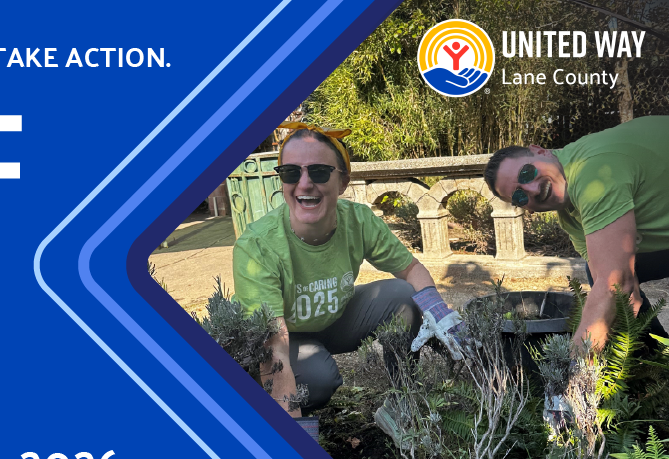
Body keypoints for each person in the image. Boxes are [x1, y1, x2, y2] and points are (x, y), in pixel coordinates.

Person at [232, 123, 462, 418]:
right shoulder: (258, 247)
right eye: (291, 172)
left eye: (319, 171)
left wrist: (442, 314)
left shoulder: (359, 221)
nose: (304, 184)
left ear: (343, 182)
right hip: (286, 339)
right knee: (316, 380)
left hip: (335, 320)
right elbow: (273, 348)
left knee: (406, 296)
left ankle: (405, 399)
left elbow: (411, 269)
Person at [483, 116, 669, 351]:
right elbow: (617, 284)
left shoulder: (592, 174)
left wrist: (578, 361)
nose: (533, 189)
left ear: (540, 152)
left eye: (527, 173)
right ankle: (655, 361)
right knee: (598, 274)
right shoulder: (569, 214)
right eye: (520, 196)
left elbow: (615, 283)